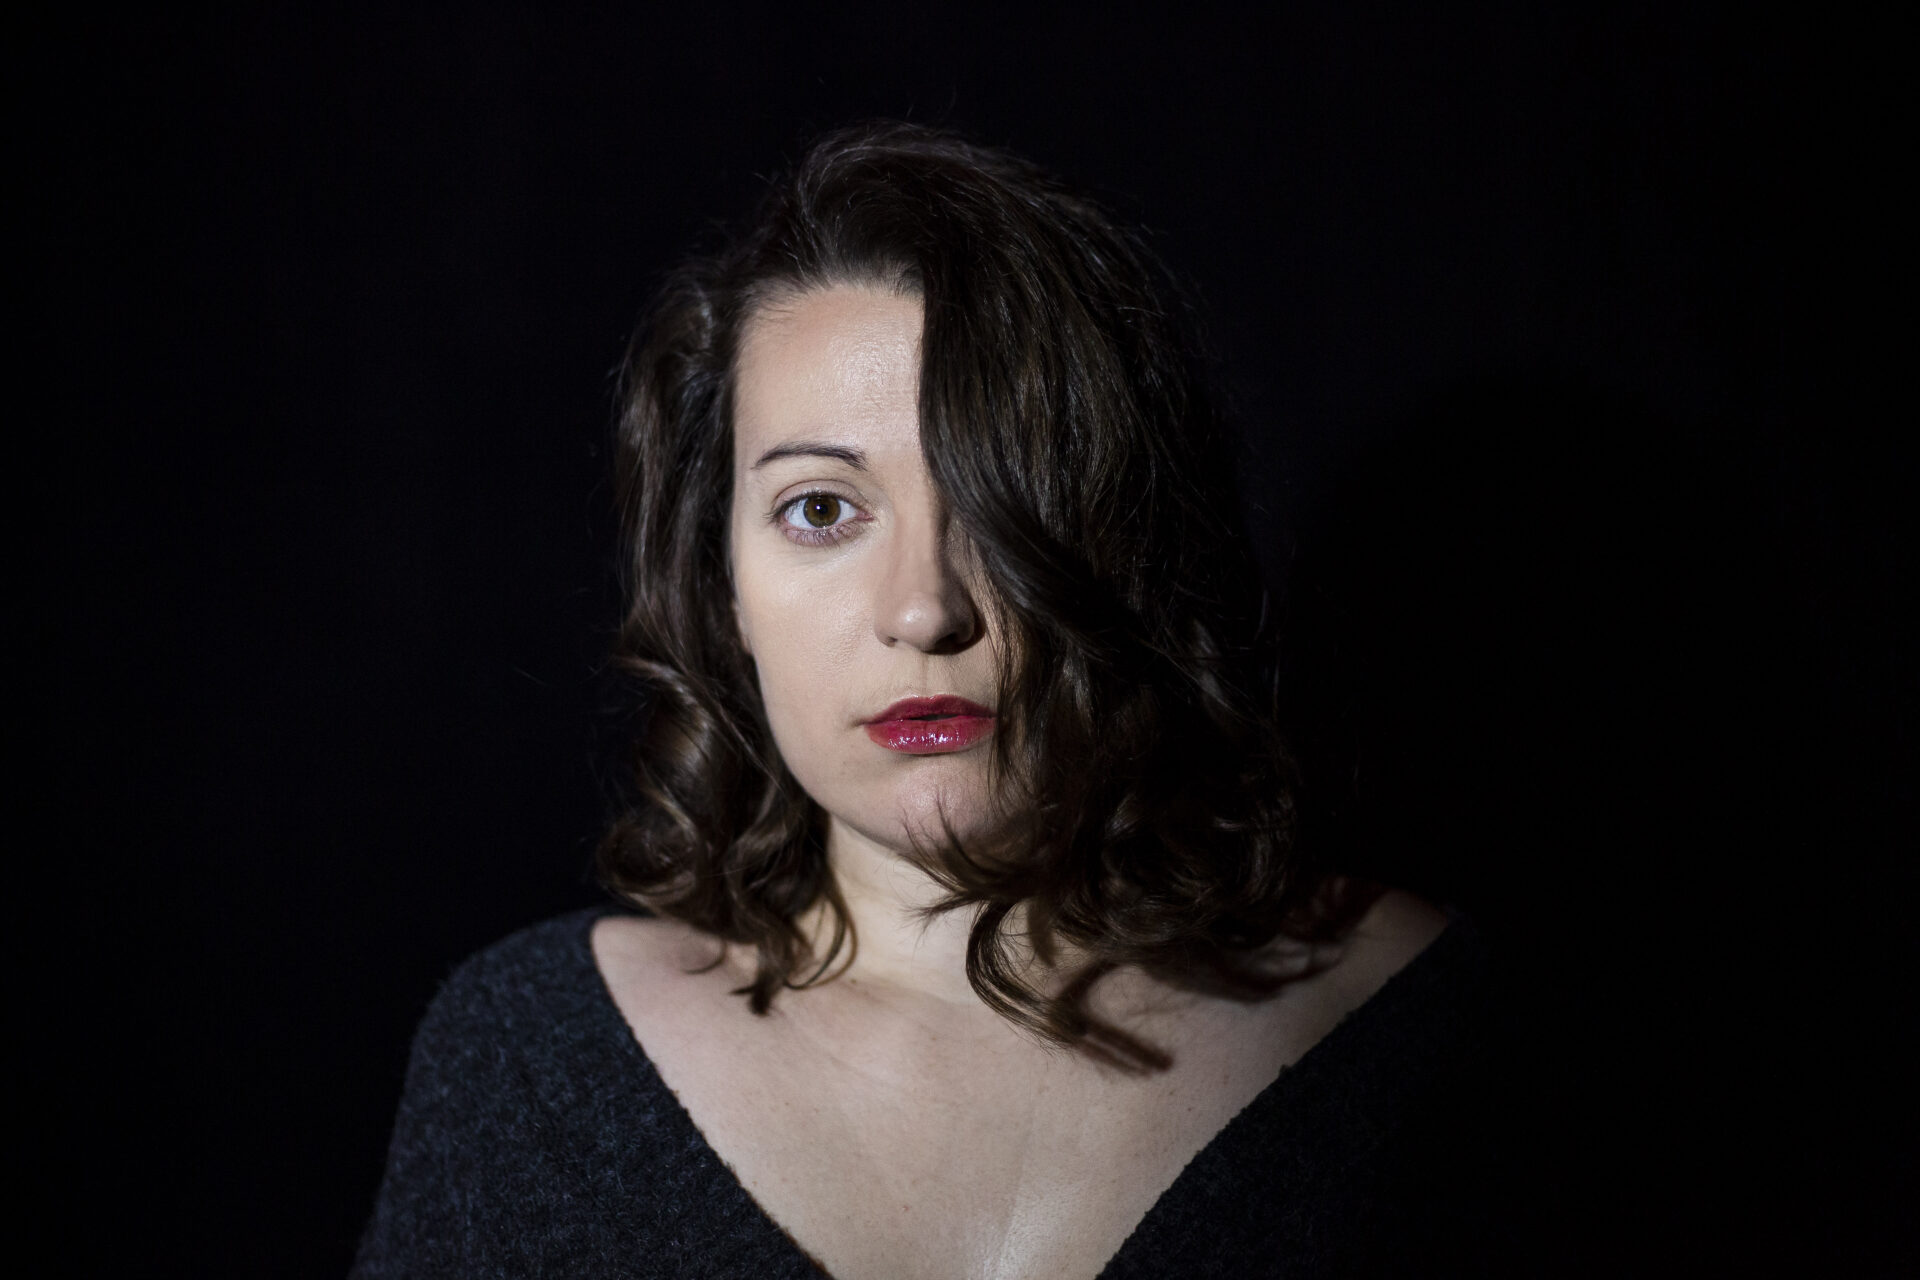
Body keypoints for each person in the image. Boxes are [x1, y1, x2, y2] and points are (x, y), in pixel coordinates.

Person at [352, 122, 1499, 1279]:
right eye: (821, 509)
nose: (924, 608)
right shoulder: (530, 1063)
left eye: (1003, 497)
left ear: (1133, 541)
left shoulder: (1413, 1023)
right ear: (723, 584)